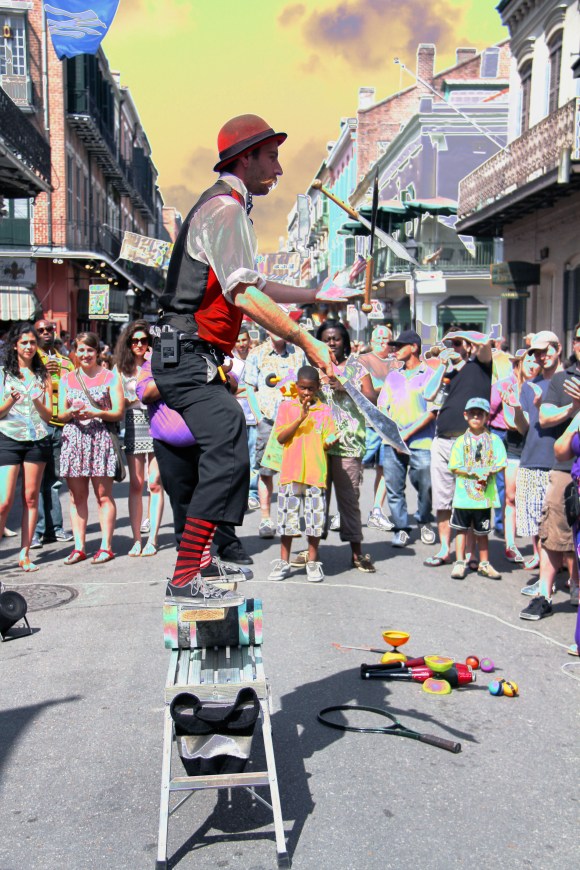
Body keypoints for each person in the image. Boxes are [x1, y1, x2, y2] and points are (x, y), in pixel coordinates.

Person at [150, 113, 334, 606]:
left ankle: (203, 555)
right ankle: (190, 569)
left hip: (191, 352)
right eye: (271, 156)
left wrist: (316, 294)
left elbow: (255, 283)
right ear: (244, 158)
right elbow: (244, 295)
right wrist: (305, 340)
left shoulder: (230, 210)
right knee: (231, 432)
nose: (278, 167)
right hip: (187, 350)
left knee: (227, 437)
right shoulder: (226, 210)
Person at [136, 358, 253, 576]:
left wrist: (205, 369)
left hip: (208, 440)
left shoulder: (205, 357)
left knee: (217, 494)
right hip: (170, 445)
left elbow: (232, 385)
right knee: (181, 499)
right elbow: (145, 393)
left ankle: (228, 545)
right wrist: (184, 373)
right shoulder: (153, 364)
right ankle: (189, 554)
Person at [518, 329, 580, 620]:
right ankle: (544, 595)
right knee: (551, 533)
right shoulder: (562, 379)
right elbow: (544, 417)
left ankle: (575, 584)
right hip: (565, 467)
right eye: (578, 339)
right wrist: (574, 408)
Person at [423, 330, 493, 569]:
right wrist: (442, 365)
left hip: (470, 441)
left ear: (468, 346)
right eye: (450, 343)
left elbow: (484, 342)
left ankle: (471, 553)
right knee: (443, 500)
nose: (454, 347)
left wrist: (457, 333)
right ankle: (445, 548)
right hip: (442, 440)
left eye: (458, 344)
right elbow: (427, 394)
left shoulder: (480, 365)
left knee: (471, 499)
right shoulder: (447, 372)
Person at [504, 332, 564, 594]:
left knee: (560, 525)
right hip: (531, 460)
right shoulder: (530, 386)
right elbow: (525, 428)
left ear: (558, 348)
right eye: (536, 352)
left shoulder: (569, 380)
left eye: (546, 350)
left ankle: (568, 581)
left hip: (560, 463)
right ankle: (544, 580)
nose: (541, 356)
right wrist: (517, 409)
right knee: (536, 526)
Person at [58, 332, 124, 564]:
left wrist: (97, 412)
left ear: (97, 352)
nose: (85, 354)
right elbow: (60, 414)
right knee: (77, 497)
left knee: (103, 496)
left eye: (89, 350)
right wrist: (70, 413)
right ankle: (79, 547)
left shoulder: (109, 377)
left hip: (100, 438)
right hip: (74, 439)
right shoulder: (67, 379)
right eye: (81, 350)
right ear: (75, 352)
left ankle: (106, 546)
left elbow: (118, 412)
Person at [315, 320, 376, 572]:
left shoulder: (357, 367)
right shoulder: (315, 366)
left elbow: (372, 398)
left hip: (349, 445)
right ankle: (312, 552)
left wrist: (347, 387)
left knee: (349, 500)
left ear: (345, 341)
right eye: (327, 339)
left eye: (336, 338)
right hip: (317, 444)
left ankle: (356, 553)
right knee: (316, 501)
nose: (331, 343)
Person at [268, 365, 336, 582]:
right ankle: (283, 562)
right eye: (303, 388)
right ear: (296, 386)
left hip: (316, 474)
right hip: (291, 472)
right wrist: (300, 418)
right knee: (287, 520)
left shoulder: (324, 410)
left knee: (315, 522)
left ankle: (313, 562)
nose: (306, 393)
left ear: (317, 388)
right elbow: (280, 438)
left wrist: (330, 441)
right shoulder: (287, 407)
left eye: (311, 389)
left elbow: (326, 440)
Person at [0, 322, 53, 571]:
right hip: (9, 437)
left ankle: (25, 553)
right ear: (15, 346)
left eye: (32, 342)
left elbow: (49, 414)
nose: (30, 346)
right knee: (3, 501)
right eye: (24, 343)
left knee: (31, 497)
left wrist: (36, 398)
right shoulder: (3, 374)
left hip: (37, 439)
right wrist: (10, 399)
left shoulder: (43, 375)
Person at [377, 329, 436, 548]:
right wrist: (393, 433)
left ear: (414, 347)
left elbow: (433, 411)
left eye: (399, 346)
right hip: (393, 441)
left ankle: (424, 520)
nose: (395, 351)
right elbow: (382, 405)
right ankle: (401, 528)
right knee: (394, 486)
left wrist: (408, 433)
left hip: (422, 441)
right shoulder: (393, 376)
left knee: (426, 485)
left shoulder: (429, 375)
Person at [244, 330, 305, 537]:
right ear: (267, 329)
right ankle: (266, 519)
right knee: (266, 471)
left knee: (294, 472)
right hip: (268, 421)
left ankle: (291, 519)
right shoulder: (257, 354)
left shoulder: (298, 353)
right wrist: (259, 418)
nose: (277, 331)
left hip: (294, 422)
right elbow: (249, 388)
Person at [113, 321, 164, 557]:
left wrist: (156, 362)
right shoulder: (120, 369)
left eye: (144, 340)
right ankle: (136, 540)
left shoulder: (157, 363)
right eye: (135, 341)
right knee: (136, 483)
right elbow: (116, 403)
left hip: (157, 418)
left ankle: (152, 538)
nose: (140, 345)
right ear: (128, 343)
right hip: (133, 421)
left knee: (154, 482)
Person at [448, 398, 506, 580]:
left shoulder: (494, 440)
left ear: (487, 417)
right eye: (472, 413)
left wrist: (489, 470)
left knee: (482, 532)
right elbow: (454, 465)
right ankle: (459, 562)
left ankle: (484, 563)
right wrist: (474, 471)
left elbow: (501, 462)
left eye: (480, 414)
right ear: (465, 416)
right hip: (464, 496)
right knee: (461, 529)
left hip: (483, 498)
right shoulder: (460, 441)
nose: (476, 417)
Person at [31, 318, 74, 549]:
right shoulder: (30, 360)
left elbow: (74, 389)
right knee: (36, 482)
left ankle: (55, 528)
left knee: (55, 481)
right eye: (41, 330)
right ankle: (37, 531)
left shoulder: (66, 361)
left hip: (61, 425)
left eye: (50, 329)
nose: (46, 333)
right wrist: (41, 372)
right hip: (37, 425)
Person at [498, 350, 539, 563]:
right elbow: (510, 421)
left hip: (538, 449)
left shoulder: (542, 388)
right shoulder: (510, 388)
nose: (532, 364)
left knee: (535, 501)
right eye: (528, 360)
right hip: (515, 448)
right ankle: (510, 545)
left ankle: (538, 551)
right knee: (511, 498)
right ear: (519, 364)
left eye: (535, 360)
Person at [358, 324, 397, 532]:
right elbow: (364, 389)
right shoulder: (362, 360)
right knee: (356, 467)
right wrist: (386, 386)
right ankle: (346, 510)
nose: (383, 341)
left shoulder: (397, 362)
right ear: (371, 341)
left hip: (389, 424)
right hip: (367, 423)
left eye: (387, 338)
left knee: (385, 470)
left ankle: (377, 510)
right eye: (379, 338)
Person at [233, 328, 259, 511]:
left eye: (244, 340)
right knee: (238, 459)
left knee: (254, 457)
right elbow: (228, 390)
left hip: (255, 417)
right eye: (238, 340)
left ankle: (253, 493)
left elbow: (261, 386)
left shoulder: (255, 361)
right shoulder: (230, 363)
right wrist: (248, 389)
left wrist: (245, 389)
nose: (242, 344)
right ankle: (238, 494)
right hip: (236, 417)